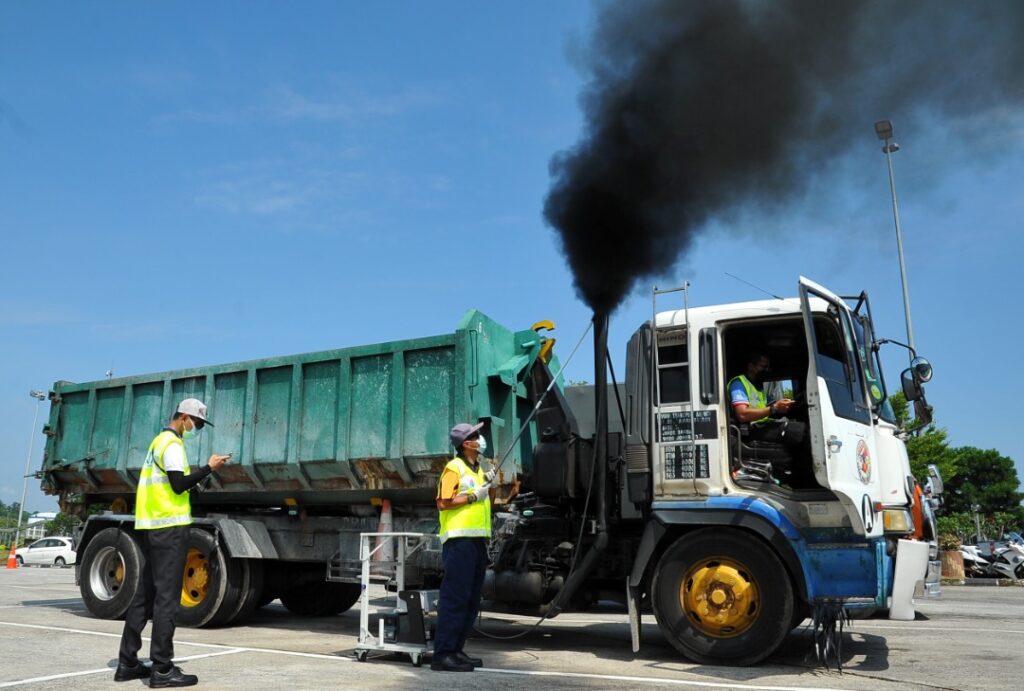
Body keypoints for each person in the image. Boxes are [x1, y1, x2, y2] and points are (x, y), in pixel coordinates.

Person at [114, 398, 230, 687]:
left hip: (152, 525)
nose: (198, 428)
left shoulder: (157, 443)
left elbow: (169, 485)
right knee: (167, 598)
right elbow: (179, 484)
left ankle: (128, 662)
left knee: (145, 595)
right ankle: (162, 669)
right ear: (184, 417)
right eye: (198, 423)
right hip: (170, 528)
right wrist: (208, 468)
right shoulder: (174, 445)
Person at [431, 422, 494, 672]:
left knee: (470, 599)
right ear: (466, 443)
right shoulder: (453, 468)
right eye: (476, 436)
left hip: (477, 541)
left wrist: (488, 484)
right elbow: (443, 503)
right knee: (455, 598)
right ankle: (443, 654)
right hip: (459, 542)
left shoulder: (478, 470)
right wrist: (472, 496)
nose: (481, 439)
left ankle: (456, 650)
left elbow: (484, 501)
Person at [729, 352, 806, 448]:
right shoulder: (738, 384)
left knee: (798, 425)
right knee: (799, 431)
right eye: (763, 367)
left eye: (768, 367)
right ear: (751, 366)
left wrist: (782, 406)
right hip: (749, 430)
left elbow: (764, 407)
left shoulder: (758, 385)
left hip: (761, 425)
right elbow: (742, 414)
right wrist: (774, 408)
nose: (766, 370)